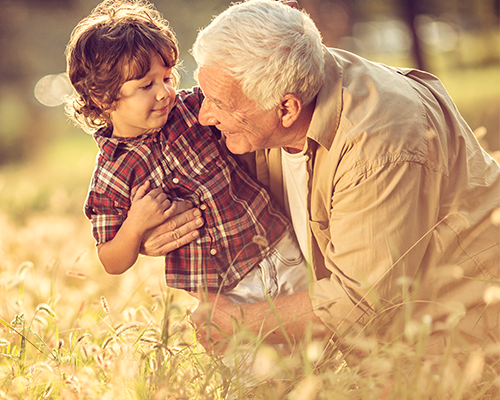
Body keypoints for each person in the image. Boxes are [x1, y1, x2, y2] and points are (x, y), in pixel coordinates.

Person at [174, 0, 500, 360]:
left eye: (219, 103)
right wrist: (154, 226)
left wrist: (241, 322)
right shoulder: (283, 84)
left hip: (462, 346)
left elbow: (360, 302)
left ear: (286, 109)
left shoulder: (379, 144)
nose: (204, 115)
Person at [64, 0, 308, 304]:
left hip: (278, 247)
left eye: (166, 78)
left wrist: (274, 24)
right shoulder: (112, 176)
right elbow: (111, 262)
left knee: (315, 338)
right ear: (103, 97)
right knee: (252, 352)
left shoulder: (191, 110)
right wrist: (136, 225)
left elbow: (238, 91)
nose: (164, 92)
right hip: (222, 292)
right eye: (145, 86)